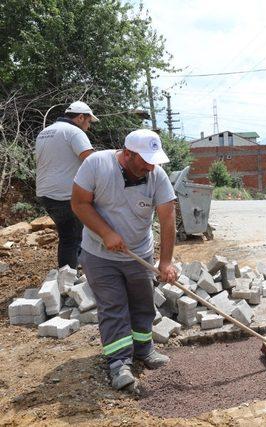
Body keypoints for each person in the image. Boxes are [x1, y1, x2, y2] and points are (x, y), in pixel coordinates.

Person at [71, 129, 178, 391]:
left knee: (142, 304)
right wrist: (106, 233)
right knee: (113, 307)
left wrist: (165, 262)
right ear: (127, 153)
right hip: (99, 255)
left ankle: (144, 350)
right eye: (145, 159)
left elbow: (167, 218)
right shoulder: (96, 164)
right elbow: (79, 203)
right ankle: (119, 363)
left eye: (154, 160)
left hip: (138, 254)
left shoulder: (156, 175)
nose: (151, 165)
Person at [35, 101, 97, 268]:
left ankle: (71, 275)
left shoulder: (45, 132)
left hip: (45, 193)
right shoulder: (74, 132)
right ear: (80, 117)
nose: (88, 127)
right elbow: (92, 162)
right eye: (88, 122)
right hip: (65, 195)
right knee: (73, 237)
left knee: (69, 236)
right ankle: (70, 283)